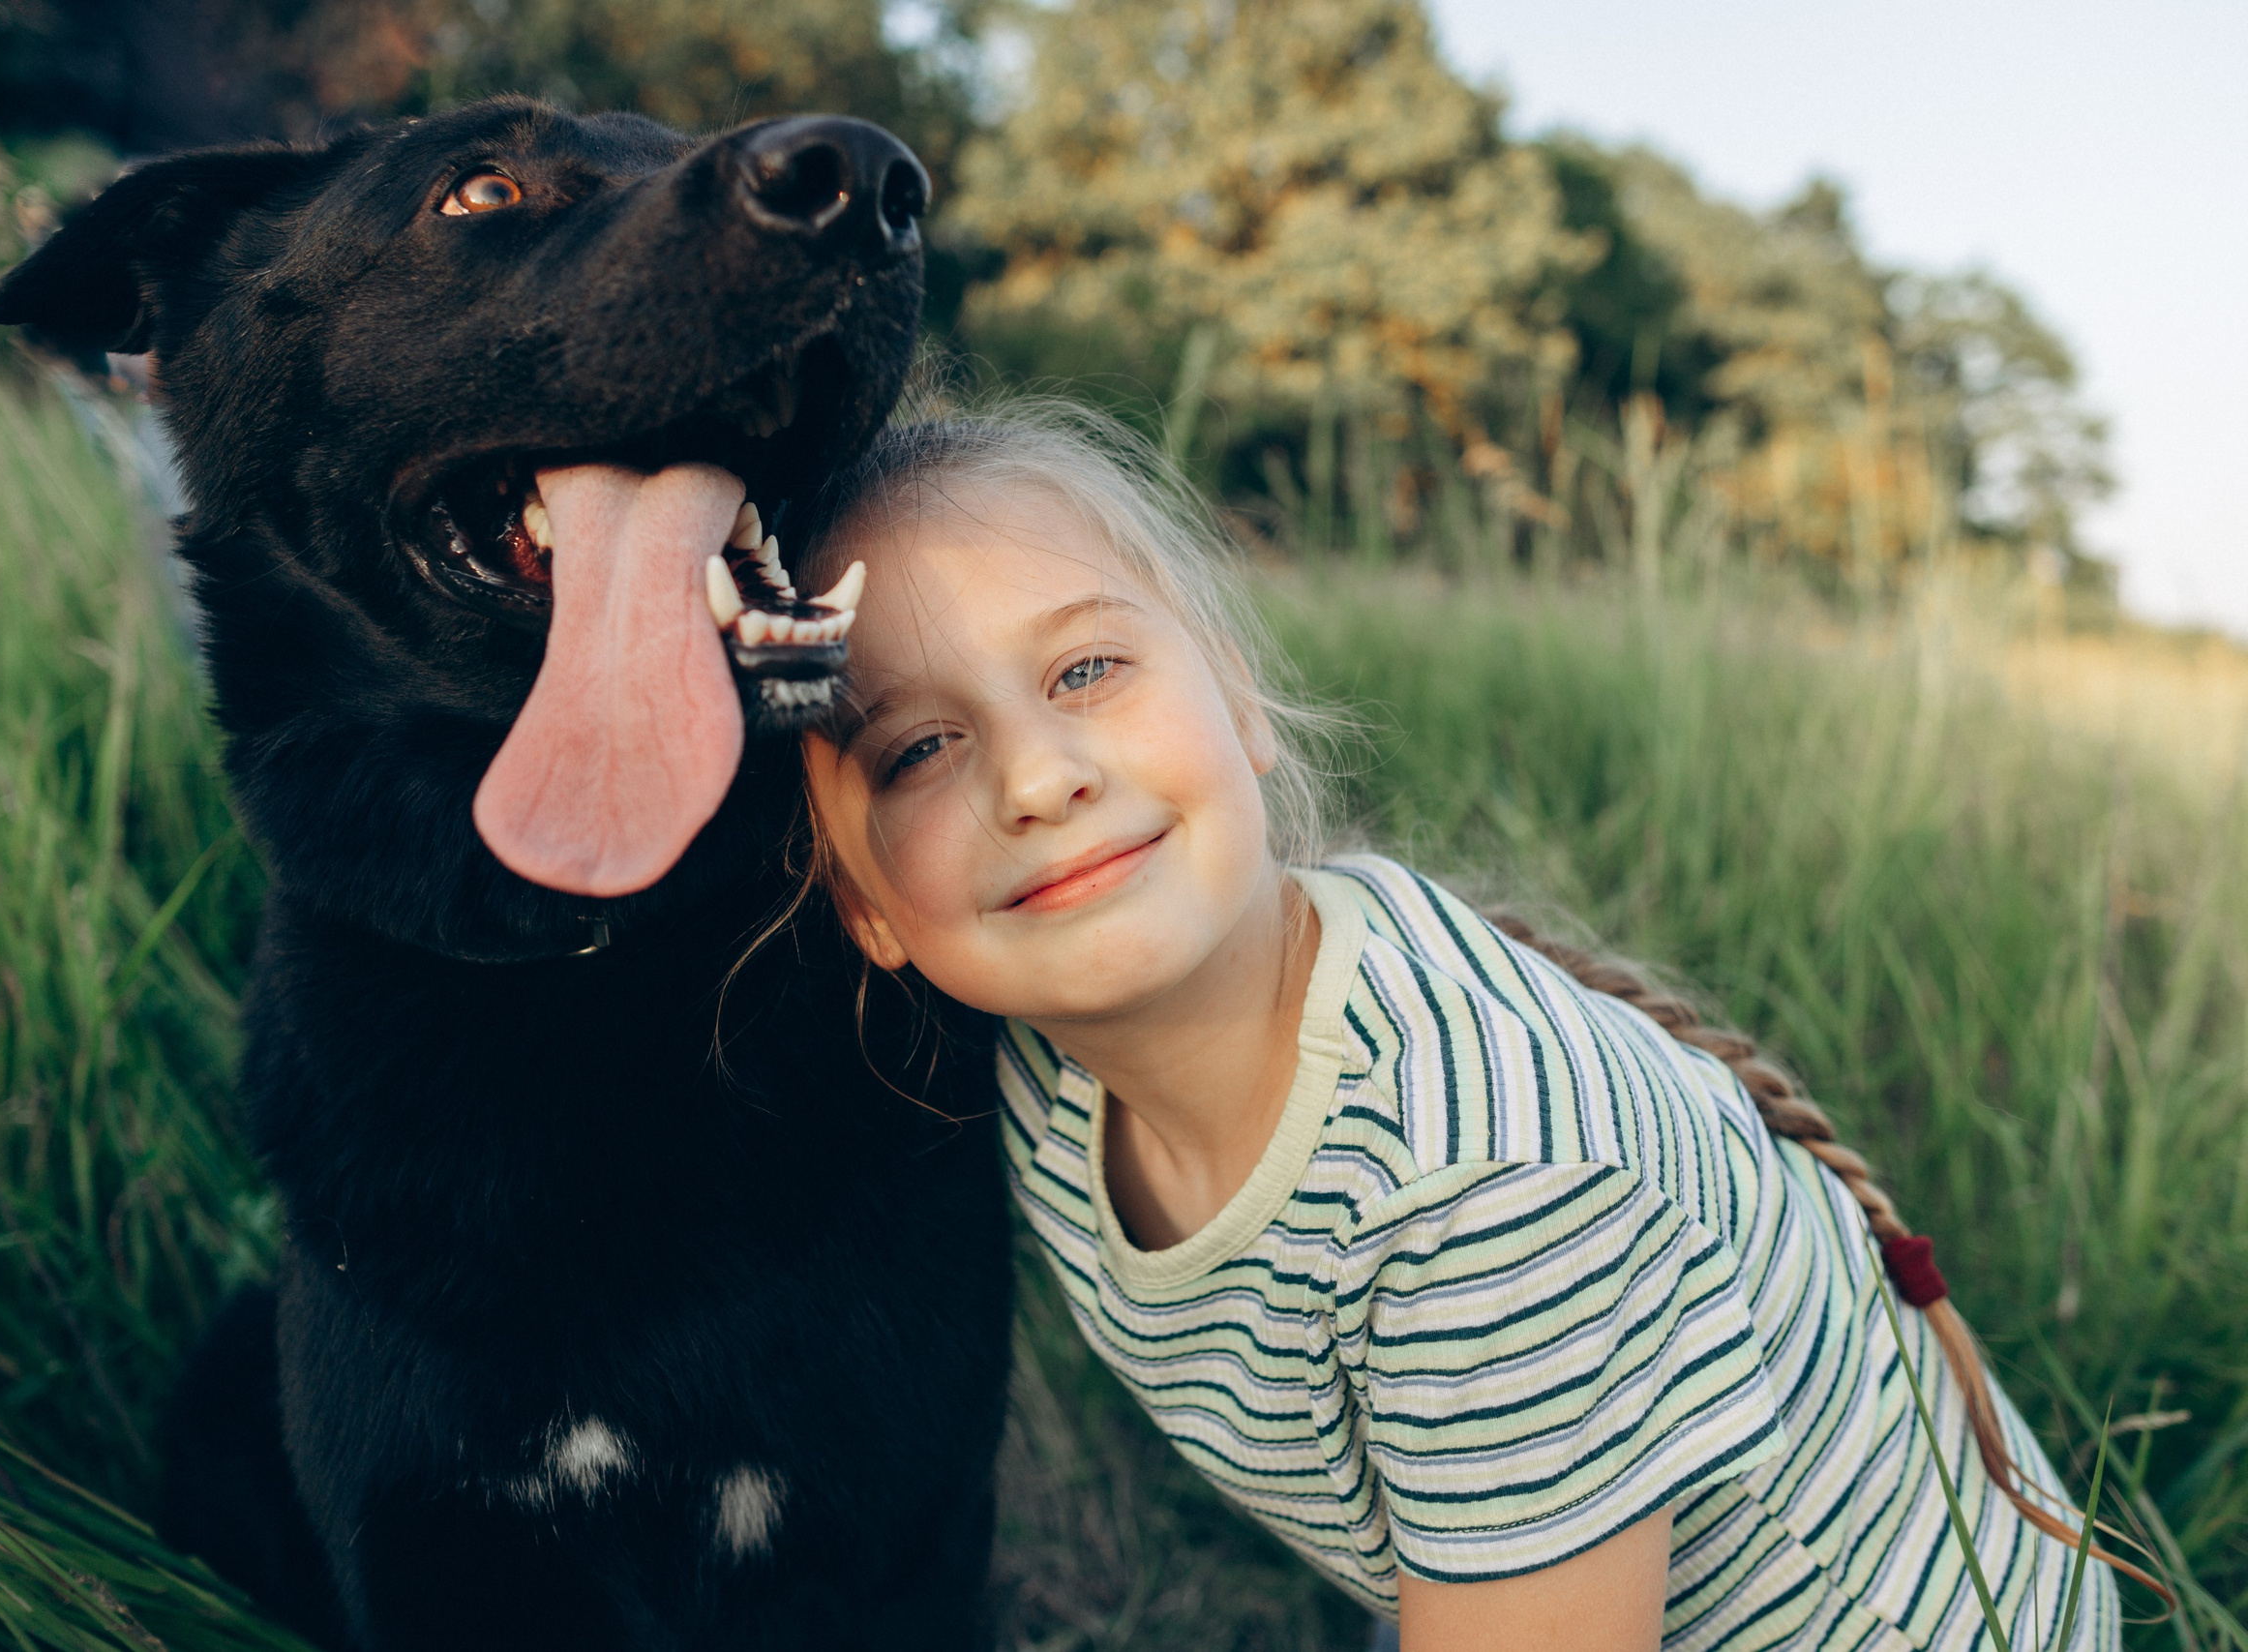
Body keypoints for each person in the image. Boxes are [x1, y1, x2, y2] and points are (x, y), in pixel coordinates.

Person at [774, 400, 2135, 1651]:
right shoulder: (1041, 1074)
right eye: (918, 751)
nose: (1036, 777)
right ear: (862, 893)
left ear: (1239, 697)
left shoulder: (1487, 1200)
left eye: (1085, 670)